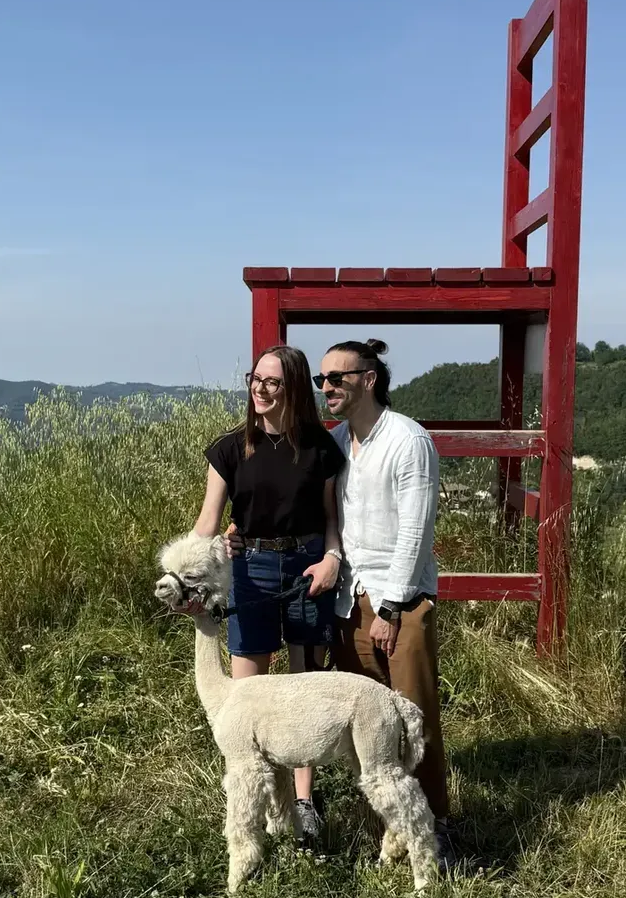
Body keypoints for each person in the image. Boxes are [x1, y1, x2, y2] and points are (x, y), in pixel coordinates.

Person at [193, 344, 344, 846]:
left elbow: (330, 520)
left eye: (272, 382)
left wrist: (331, 559)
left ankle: (303, 804)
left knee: (306, 690)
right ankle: (254, 811)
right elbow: (207, 526)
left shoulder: (320, 448)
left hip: (307, 569)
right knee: (247, 698)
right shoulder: (230, 449)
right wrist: (195, 573)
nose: (259, 389)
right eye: (254, 379)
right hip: (250, 570)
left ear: (294, 388)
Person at [314, 337, 457, 869]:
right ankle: (390, 828)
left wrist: (392, 608)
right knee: (368, 726)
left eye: (337, 378)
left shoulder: (408, 441)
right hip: (350, 598)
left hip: (399, 600)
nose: (326, 387)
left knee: (414, 719)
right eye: (321, 379)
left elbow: (415, 532)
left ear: (368, 380)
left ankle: (434, 829)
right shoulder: (336, 442)